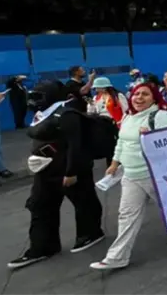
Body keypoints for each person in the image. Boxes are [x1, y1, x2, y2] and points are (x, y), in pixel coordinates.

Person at [9, 81, 104, 269]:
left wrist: (72, 172)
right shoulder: (42, 114)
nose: (33, 101)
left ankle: (91, 233)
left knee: (84, 202)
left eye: (38, 97)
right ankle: (43, 247)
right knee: (39, 206)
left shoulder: (67, 114)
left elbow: (75, 146)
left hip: (69, 170)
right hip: (44, 170)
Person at [90, 83, 167, 271]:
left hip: (154, 174)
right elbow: (122, 142)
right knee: (126, 216)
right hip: (130, 175)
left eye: (145, 94)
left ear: (154, 98)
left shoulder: (161, 116)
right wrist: (115, 163)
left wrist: (151, 137)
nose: (139, 97)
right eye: (136, 94)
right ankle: (117, 257)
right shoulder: (128, 117)